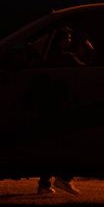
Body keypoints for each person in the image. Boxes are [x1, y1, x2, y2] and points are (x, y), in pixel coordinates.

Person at [37, 26, 82, 196]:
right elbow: (86, 72)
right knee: (69, 145)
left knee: (50, 147)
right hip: (63, 107)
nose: (70, 40)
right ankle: (64, 178)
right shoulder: (67, 58)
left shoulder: (48, 57)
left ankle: (44, 183)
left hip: (50, 107)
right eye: (68, 37)